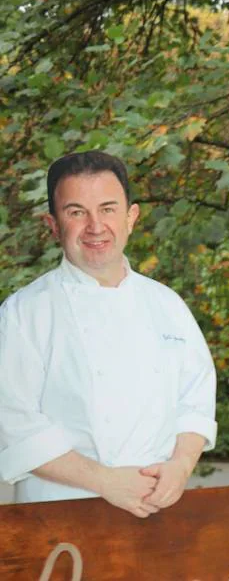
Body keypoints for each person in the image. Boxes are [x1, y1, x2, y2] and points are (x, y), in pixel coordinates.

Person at [0, 150, 217, 518]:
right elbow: (12, 424)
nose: (96, 226)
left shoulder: (167, 305)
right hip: (58, 515)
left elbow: (195, 402)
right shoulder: (23, 314)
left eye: (108, 208)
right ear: (53, 225)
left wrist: (180, 467)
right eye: (76, 212)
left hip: (158, 509)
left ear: (131, 217)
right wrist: (107, 482)